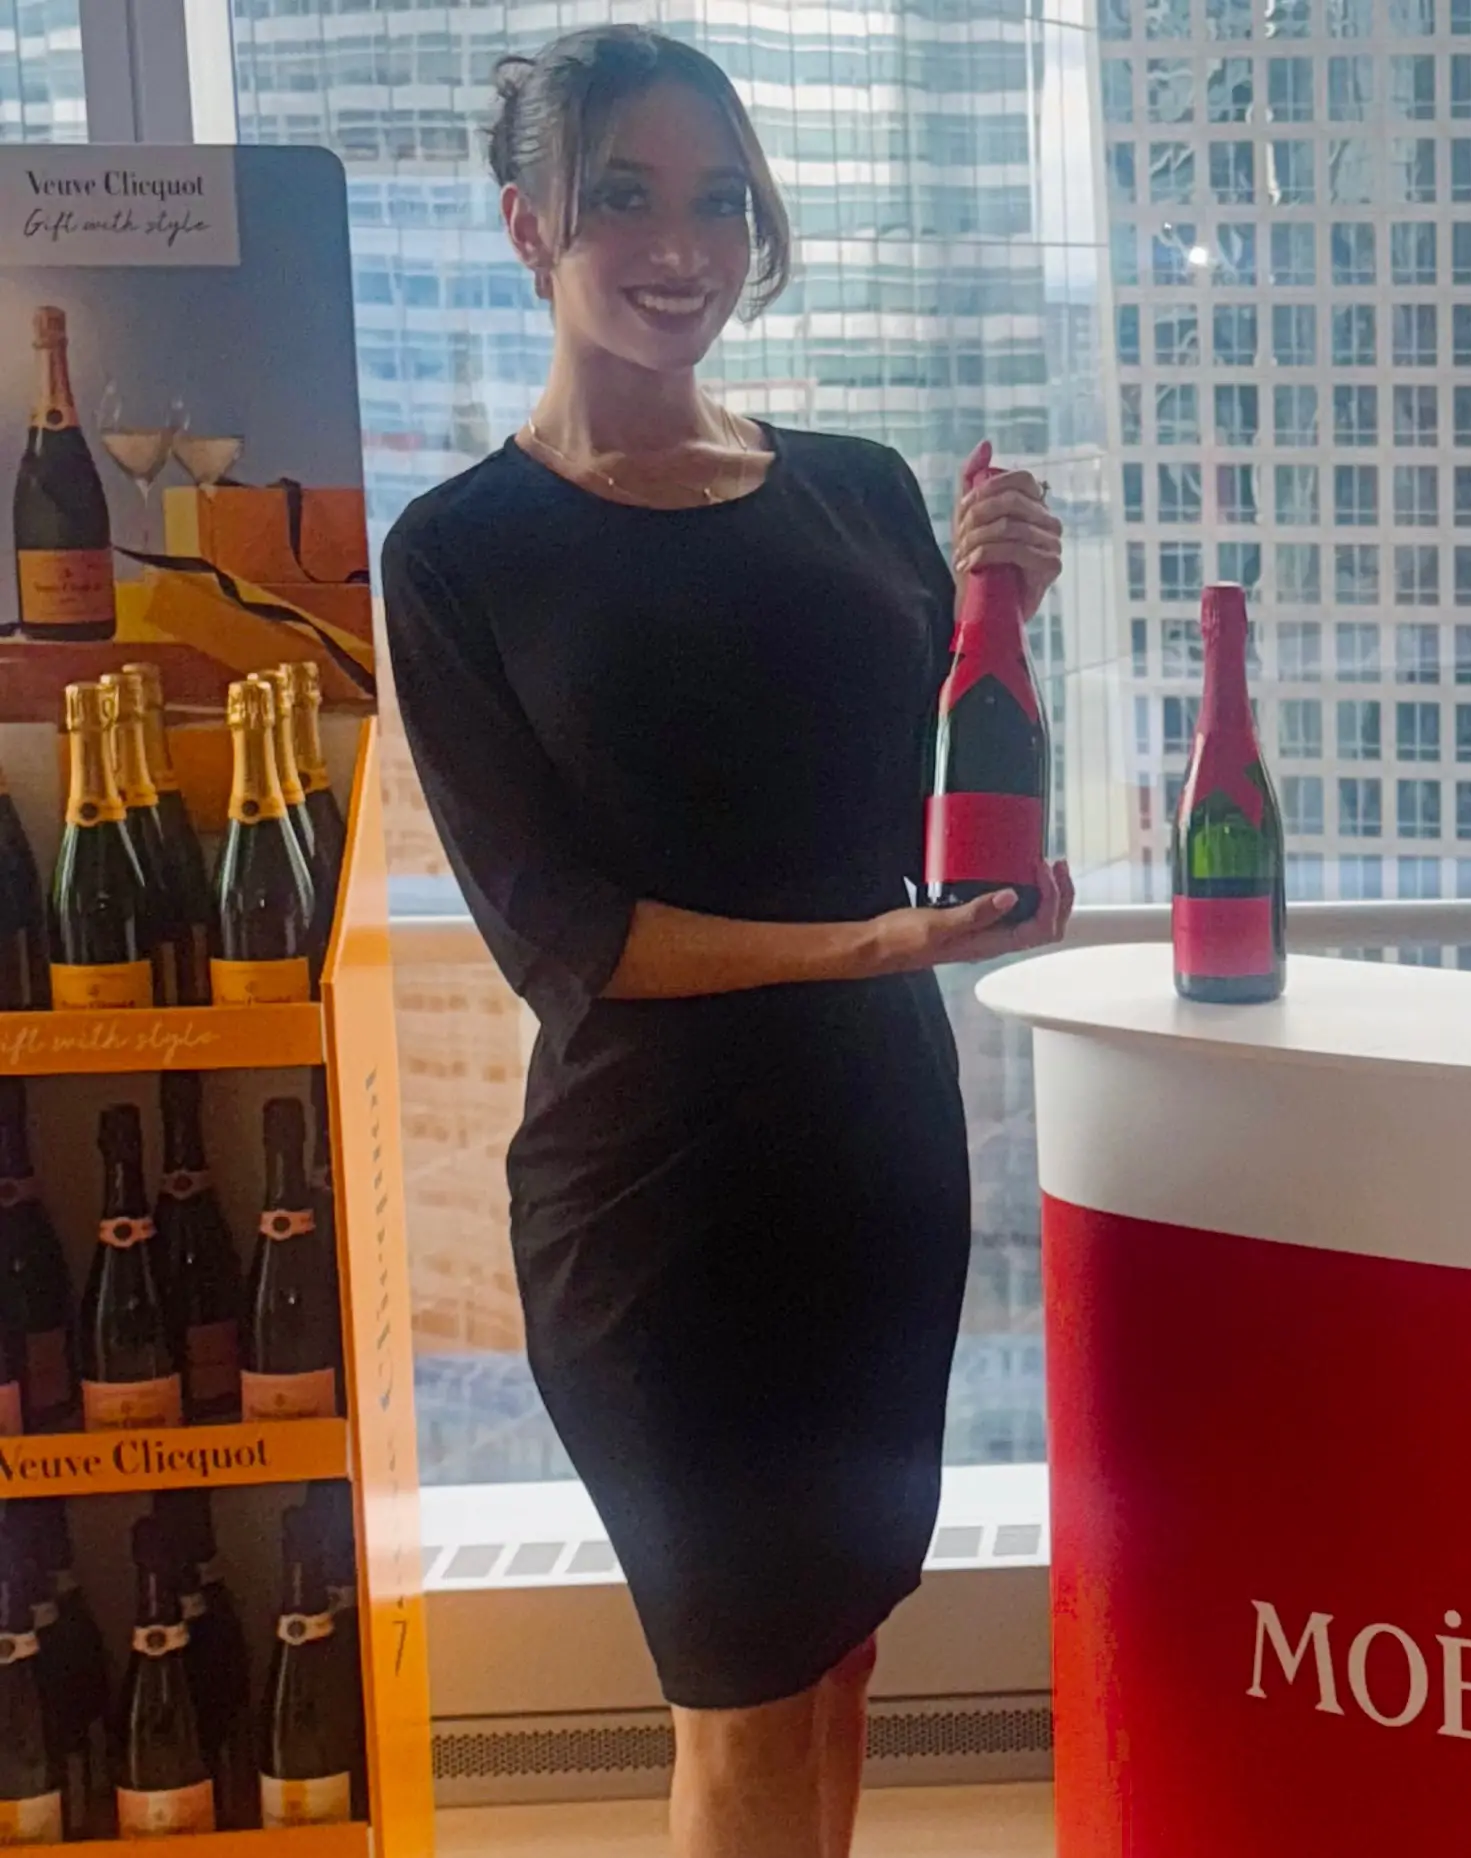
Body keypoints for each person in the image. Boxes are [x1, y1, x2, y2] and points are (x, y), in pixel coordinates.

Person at [379, 28, 1070, 1857]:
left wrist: (1004, 613)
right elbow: (563, 937)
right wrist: (864, 951)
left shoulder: (860, 490)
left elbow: (928, 804)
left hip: (877, 1160)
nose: (680, 246)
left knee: (836, 1656)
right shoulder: (458, 550)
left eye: (719, 201)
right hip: (658, 1208)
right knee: (744, 1704)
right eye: (623, 196)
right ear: (529, 225)